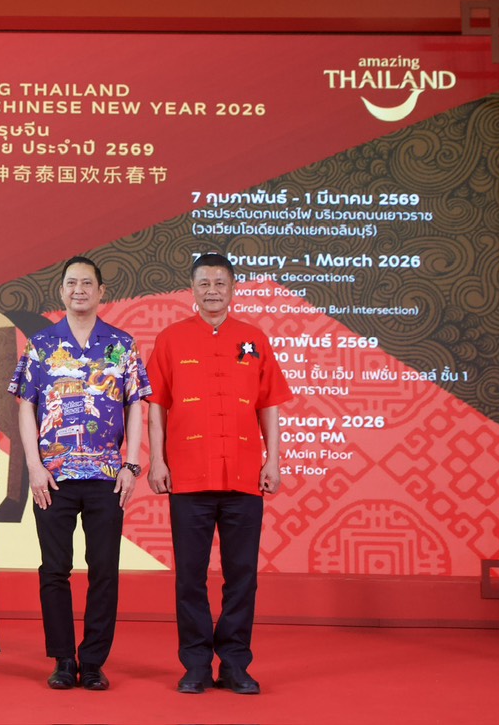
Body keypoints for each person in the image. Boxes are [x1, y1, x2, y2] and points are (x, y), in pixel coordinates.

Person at [147, 252, 292, 696]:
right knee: (190, 575)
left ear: (233, 289)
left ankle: (234, 663)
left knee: (241, 573)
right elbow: (156, 406)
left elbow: (269, 404)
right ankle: (194, 664)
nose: (213, 290)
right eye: (204, 283)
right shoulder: (171, 339)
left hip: (244, 476)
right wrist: (157, 460)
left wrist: (274, 459)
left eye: (220, 283)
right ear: (192, 289)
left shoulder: (253, 339)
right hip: (188, 477)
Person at [10, 255, 150, 691]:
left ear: (101, 291)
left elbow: (136, 406)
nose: (79, 290)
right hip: (53, 477)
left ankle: (93, 661)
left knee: (104, 568)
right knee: (55, 569)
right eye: (71, 283)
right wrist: (33, 467)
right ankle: (63, 660)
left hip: (108, 476)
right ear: (62, 291)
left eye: (87, 283)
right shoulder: (43, 344)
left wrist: (131, 464)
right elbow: (25, 406)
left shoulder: (122, 344)